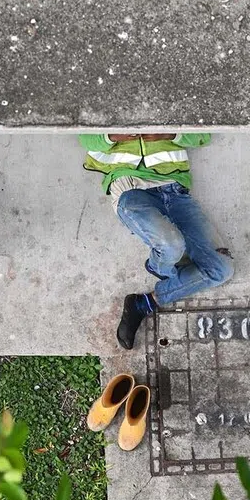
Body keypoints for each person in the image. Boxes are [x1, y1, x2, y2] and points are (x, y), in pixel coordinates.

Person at [79, 133, 233, 349]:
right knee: (172, 246)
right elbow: (87, 139)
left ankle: (144, 302)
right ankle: (162, 264)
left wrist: (170, 134)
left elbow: (201, 136)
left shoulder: (170, 103)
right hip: (131, 189)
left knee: (222, 269)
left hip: (175, 191)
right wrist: (113, 136)